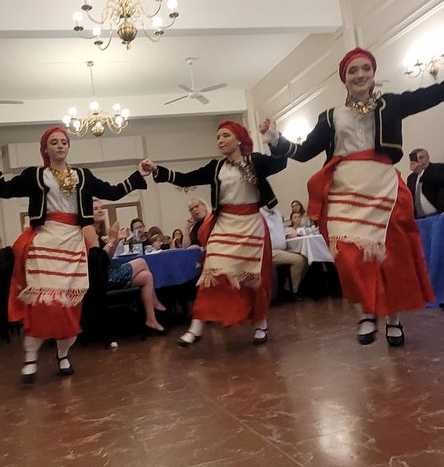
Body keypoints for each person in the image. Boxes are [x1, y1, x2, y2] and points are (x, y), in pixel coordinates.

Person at [262, 26, 444, 347]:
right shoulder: (330, 116)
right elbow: (302, 153)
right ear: (344, 78)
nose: (360, 74)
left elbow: (440, 91)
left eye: (365, 68)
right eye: (353, 70)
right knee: (351, 257)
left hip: (382, 186)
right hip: (344, 192)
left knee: (388, 255)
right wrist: (274, 139)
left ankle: (393, 318)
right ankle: (367, 312)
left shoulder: (391, 104)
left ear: (373, 73)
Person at [0, 127, 147, 382]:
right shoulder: (35, 175)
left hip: (72, 244)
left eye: (64, 142)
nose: (59, 146)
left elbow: (112, 191)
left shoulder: (82, 175)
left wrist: (138, 175)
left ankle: (63, 353)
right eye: (54, 142)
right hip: (44, 241)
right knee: (41, 304)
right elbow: (2, 189)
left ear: (69, 147)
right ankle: (31, 358)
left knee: (69, 305)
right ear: (45, 149)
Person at [143, 120, 287, 347]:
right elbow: (186, 178)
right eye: (218, 137)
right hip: (225, 224)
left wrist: (273, 136)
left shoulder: (255, 161)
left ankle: (261, 323)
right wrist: (158, 170)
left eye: (225, 135)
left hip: (251, 225)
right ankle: (197, 326)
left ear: (239, 138)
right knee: (212, 272)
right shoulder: (216, 167)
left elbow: (280, 163)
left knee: (253, 277)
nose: (220, 140)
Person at [96, 204, 166, 333]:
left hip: (107, 274)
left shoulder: (99, 234)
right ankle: (155, 301)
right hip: (101, 279)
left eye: (101, 207)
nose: (100, 210)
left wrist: (116, 240)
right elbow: (97, 261)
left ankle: (151, 320)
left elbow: (107, 258)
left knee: (147, 276)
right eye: (95, 209)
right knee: (141, 261)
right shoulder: (88, 231)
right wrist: (112, 239)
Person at [261, 205, 308, 296]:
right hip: (269, 251)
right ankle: (289, 291)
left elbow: (280, 229)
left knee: (305, 257)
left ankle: (289, 286)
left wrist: (288, 232)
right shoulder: (259, 215)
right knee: (299, 260)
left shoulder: (278, 214)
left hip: (282, 249)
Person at [406, 149, 444, 219]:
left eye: (421, 157)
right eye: (416, 159)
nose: (419, 161)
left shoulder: (439, 168)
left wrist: (421, 172)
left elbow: (441, 181)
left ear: (428, 157)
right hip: (419, 218)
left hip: (439, 214)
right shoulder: (411, 178)